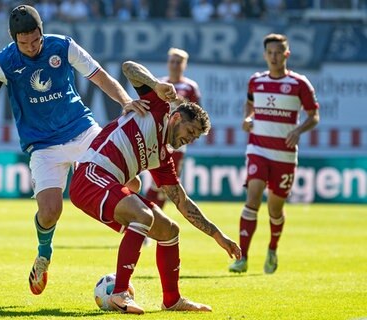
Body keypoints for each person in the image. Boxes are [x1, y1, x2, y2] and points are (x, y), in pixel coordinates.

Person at [0, 5, 148, 293]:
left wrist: (125, 100)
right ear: (14, 40)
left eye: (35, 40)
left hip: (82, 131)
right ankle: (44, 254)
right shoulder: (3, 62)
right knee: (50, 212)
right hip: (42, 145)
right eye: (23, 43)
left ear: (41, 30)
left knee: (132, 180)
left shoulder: (63, 46)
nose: (31, 47)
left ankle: (134, 233)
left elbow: (99, 76)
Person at [69, 60, 242, 314]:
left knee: (169, 230)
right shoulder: (157, 106)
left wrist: (218, 235)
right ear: (177, 117)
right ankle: (119, 293)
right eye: (190, 131)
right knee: (143, 215)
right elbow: (128, 67)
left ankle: (172, 299)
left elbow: (183, 203)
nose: (188, 141)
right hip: (90, 176)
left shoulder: (163, 158)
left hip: (108, 184)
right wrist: (156, 84)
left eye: (194, 138)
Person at [228, 33, 320, 274]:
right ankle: (243, 257)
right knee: (253, 199)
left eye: (279, 52)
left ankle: (272, 248)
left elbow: (314, 116)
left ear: (287, 54)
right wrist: (247, 118)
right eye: (270, 53)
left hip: (285, 154)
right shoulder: (256, 81)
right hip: (257, 148)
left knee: (275, 210)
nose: (274, 57)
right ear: (264, 55)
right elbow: (249, 104)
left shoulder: (300, 84)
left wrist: (299, 130)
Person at [144, 47, 202, 210]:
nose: (175, 65)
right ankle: (148, 221)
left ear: (184, 65)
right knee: (158, 183)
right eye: (172, 61)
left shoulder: (190, 87)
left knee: (164, 187)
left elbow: (198, 114)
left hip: (177, 142)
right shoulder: (160, 83)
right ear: (168, 63)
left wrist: (182, 103)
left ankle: (151, 223)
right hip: (156, 136)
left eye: (179, 62)